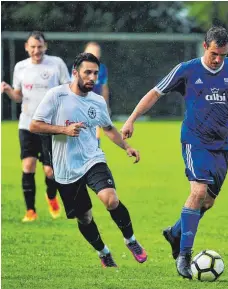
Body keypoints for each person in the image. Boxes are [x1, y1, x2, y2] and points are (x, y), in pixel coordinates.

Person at [121, 26, 228, 278]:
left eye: (223, 54)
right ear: (205, 46)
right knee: (197, 192)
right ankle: (184, 256)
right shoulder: (187, 69)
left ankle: (175, 233)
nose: (218, 60)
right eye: (214, 54)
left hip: (224, 143)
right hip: (195, 140)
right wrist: (131, 119)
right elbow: (156, 92)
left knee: (208, 201)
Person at [30, 52, 147, 267]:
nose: (92, 78)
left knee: (110, 199)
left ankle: (130, 240)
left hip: (92, 159)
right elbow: (35, 125)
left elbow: (108, 127)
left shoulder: (97, 101)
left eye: (95, 73)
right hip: (65, 167)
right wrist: (63, 129)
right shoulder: (56, 95)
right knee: (84, 218)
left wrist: (127, 146)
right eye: (87, 73)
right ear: (75, 73)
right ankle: (103, 252)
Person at [1, 31, 70, 222]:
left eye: (39, 47)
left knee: (50, 171)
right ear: (26, 47)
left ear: (45, 46)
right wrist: (7, 90)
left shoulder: (56, 64)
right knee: (28, 165)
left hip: (50, 126)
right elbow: (18, 97)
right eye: (32, 47)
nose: (36, 51)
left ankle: (51, 196)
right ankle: (30, 210)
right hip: (27, 124)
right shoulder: (20, 67)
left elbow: (68, 90)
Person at [72, 42, 110, 147]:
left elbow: (104, 88)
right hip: (79, 104)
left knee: (96, 130)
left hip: (94, 105)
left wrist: (106, 106)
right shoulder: (77, 68)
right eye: (92, 52)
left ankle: (94, 152)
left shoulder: (102, 69)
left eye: (97, 52)